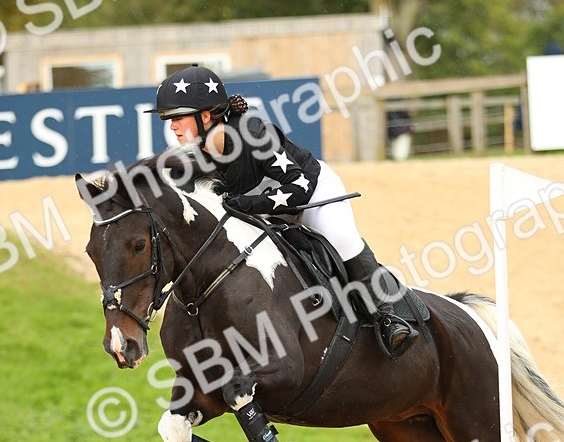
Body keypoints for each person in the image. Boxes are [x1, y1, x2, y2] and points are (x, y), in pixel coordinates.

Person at [147, 65, 418, 359]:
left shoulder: (253, 134)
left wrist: (251, 204)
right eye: (168, 119)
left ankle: (387, 317)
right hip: (267, 212)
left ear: (206, 115)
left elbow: (298, 187)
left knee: (341, 239)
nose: (172, 126)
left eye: (177, 117)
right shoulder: (193, 156)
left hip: (312, 194)